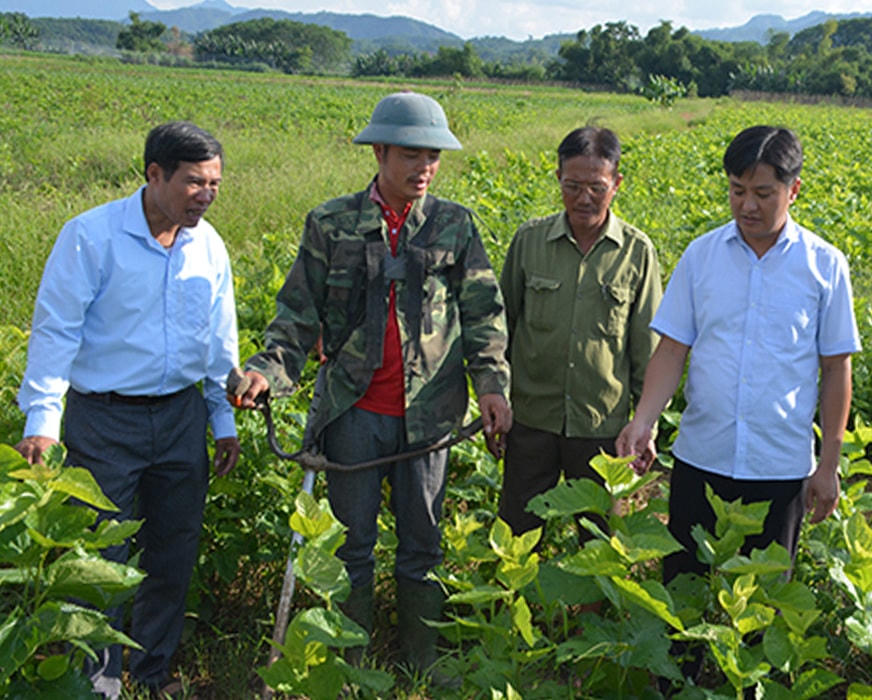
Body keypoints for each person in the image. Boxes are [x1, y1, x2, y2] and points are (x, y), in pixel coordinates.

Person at [231, 91, 511, 675]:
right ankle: (352, 666)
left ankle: (420, 663)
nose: (425, 169)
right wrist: (265, 371)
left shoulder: (454, 225)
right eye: (412, 155)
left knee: (423, 547)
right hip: (352, 413)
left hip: (430, 415)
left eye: (433, 157)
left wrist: (491, 386)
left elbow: (484, 312)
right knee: (351, 548)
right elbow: (296, 315)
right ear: (379, 152)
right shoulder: (331, 224)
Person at [15, 121, 240, 698]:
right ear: (154, 174)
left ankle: (152, 672)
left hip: (180, 416)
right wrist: (42, 421)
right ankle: (97, 682)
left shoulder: (208, 245)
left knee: (173, 547)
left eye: (215, 183)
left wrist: (223, 420)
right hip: (102, 419)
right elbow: (55, 332)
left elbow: (219, 344)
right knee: (99, 554)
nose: (207, 195)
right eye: (195, 182)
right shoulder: (91, 237)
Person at [616, 125, 861, 586]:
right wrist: (644, 419)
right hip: (701, 457)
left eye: (764, 193)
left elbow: (835, 369)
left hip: (780, 467)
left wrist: (828, 465)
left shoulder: (824, 266)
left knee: (762, 608)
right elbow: (673, 349)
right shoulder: (701, 256)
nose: (748, 205)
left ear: (794, 190)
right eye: (737, 190)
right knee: (683, 595)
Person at [498, 126, 660, 540]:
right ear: (558, 179)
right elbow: (503, 327)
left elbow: (648, 348)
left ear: (617, 184)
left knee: (601, 537)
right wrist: (496, 397)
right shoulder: (529, 241)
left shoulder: (637, 252)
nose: (583, 198)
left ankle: (590, 609)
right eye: (572, 186)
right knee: (517, 529)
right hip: (532, 419)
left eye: (596, 187)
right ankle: (520, 604)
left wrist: (647, 425)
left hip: (602, 426)